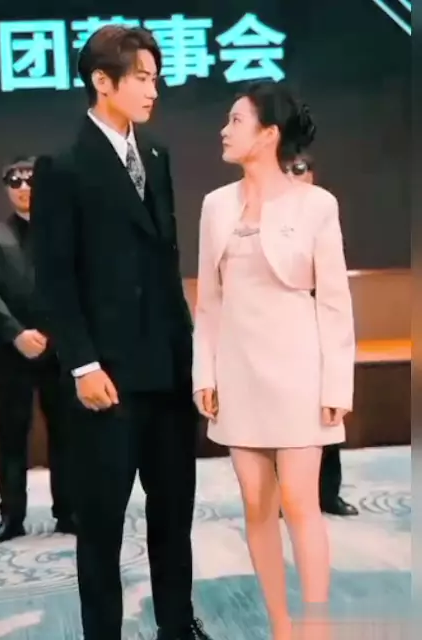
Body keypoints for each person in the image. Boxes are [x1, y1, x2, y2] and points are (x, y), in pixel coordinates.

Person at [30, 26, 212, 640]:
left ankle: (176, 627)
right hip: (104, 379)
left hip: (167, 369)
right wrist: (82, 364)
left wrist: (192, 358)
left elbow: (165, 262)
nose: (153, 90)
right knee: (102, 525)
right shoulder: (62, 165)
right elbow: (55, 278)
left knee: (174, 515)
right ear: (101, 81)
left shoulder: (156, 155)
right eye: (142, 78)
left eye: (156, 78)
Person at [192, 82, 355, 639]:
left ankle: (316, 627)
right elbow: (209, 301)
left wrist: (337, 385)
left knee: (299, 500)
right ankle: (282, 626)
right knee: (256, 502)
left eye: (236, 121)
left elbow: (334, 301)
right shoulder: (216, 205)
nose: (224, 130)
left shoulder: (316, 204)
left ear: (268, 135)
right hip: (238, 370)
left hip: (299, 368)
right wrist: (205, 372)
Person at [0, 156, 74, 544]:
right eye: (14, 181)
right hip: (11, 352)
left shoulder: (64, 232)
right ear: (7, 188)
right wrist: (17, 334)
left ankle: (68, 511)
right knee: (11, 436)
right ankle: (11, 516)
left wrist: (52, 334)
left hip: (58, 350)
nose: (23, 188)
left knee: (65, 434)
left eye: (30, 180)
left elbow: (74, 287)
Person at [285, 153, 358, 518]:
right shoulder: (263, 213)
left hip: (319, 327)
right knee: (282, 418)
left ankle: (328, 494)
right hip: (280, 331)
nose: (295, 176)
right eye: (288, 170)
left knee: (325, 415)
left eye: (301, 169)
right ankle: (283, 497)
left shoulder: (323, 212)